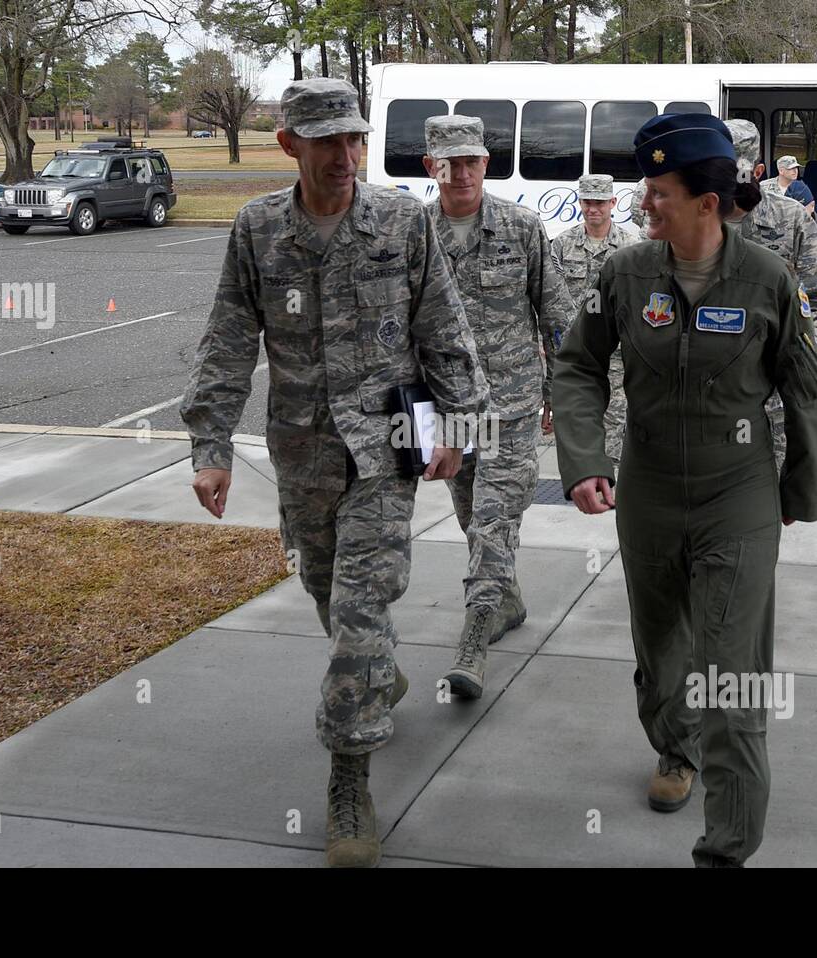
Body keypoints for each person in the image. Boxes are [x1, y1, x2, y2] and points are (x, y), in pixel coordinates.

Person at [180, 78, 486, 868]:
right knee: (327, 590)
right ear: (290, 146)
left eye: (355, 140)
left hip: (385, 451)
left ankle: (349, 776)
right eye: (328, 144)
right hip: (303, 454)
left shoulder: (400, 220)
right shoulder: (258, 231)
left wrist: (457, 422)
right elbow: (225, 343)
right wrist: (210, 448)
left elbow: (443, 327)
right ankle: (378, 669)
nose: (347, 157)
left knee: (358, 605)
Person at [553, 114, 817, 867]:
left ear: (707, 201)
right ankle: (674, 751)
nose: (646, 205)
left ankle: (728, 847)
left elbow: (809, 388)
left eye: (660, 193)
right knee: (661, 650)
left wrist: (801, 490)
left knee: (732, 675)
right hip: (647, 492)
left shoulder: (768, 278)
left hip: (735, 494)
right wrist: (581, 459)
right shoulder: (626, 272)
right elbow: (577, 365)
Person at [420, 114, 575, 700]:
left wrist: (563, 398)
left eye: (472, 161)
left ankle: (473, 641)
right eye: (449, 162)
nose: (461, 173)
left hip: (511, 407)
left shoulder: (520, 227)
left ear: (486, 162)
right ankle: (505, 601)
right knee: (471, 521)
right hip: (452, 415)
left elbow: (558, 318)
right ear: (431, 166)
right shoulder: (414, 233)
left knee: (492, 522)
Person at [723, 119, 817, 467]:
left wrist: (806, 363)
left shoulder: (789, 219)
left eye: (737, 174)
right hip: (708, 387)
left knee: (772, 486)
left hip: (774, 387)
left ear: (758, 171)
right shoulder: (692, 217)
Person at [550, 173, 641, 465]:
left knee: (616, 413)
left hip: (616, 348)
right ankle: (585, 468)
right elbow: (553, 296)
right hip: (577, 348)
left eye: (600, 203)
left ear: (613, 202)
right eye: (588, 202)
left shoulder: (630, 245)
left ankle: (610, 472)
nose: (593, 209)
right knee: (580, 410)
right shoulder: (563, 244)